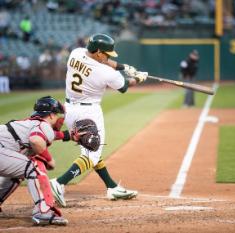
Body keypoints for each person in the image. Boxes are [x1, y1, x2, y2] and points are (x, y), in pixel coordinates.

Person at [50, 33, 148, 207]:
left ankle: (112, 187)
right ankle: (59, 183)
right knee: (91, 155)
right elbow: (125, 86)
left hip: (70, 110)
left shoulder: (76, 53)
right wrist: (138, 78)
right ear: (99, 53)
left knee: (91, 148)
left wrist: (123, 66)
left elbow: (102, 60)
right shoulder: (106, 73)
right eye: (107, 53)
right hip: (89, 112)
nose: (109, 56)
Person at [0, 96, 79, 226]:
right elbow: (36, 140)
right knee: (33, 167)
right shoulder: (44, 125)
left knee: (20, 171)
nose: (60, 118)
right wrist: (49, 159)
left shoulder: (32, 122)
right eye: (57, 114)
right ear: (51, 115)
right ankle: (43, 212)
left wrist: (68, 136)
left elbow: (50, 135)